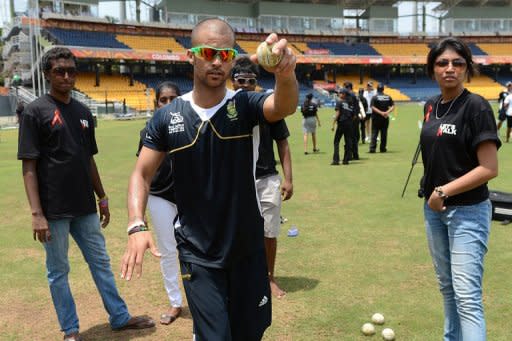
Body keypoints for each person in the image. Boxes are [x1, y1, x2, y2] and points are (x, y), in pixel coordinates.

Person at [120, 18, 298, 341]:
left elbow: (284, 104)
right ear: (192, 55)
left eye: (226, 55)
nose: (217, 61)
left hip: (247, 249)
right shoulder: (167, 116)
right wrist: (136, 224)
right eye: (208, 52)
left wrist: (285, 75)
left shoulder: (244, 105)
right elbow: (141, 174)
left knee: (249, 334)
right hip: (198, 254)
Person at [17, 47, 154, 341]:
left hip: (85, 207)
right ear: (47, 74)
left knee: (101, 263)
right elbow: (29, 165)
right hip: (53, 211)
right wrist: (36, 214)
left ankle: (119, 317)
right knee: (58, 271)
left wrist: (102, 197)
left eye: (71, 71)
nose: (66, 76)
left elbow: (88, 159)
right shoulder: (35, 112)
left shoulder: (82, 112)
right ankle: (70, 330)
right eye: (59, 71)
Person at [421, 37, 500, 341]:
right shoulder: (430, 106)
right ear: (433, 70)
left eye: (458, 63)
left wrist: (443, 192)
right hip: (434, 213)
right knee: (447, 288)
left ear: (467, 69)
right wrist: (434, 197)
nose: (449, 68)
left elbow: (489, 168)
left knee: (467, 297)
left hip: (467, 212)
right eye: (442, 63)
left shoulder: (476, 106)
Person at [231, 56, 293, 299]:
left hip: (267, 177)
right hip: (236, 180)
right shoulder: (225, 108)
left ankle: (269, 277)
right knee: (236, 232)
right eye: (240, 80)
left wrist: (288, 179)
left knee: (269, 231)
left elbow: (283, 144)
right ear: (232, 82)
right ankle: (239, 277)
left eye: (251, 81)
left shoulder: (269, 107)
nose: (245, 85)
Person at [136, 81, 183, 325]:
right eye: (163, 100)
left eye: (172, 99)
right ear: (156, 103)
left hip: (189, 197)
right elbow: (142, 174)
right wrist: (139, 214)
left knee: (196, 249)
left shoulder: (192, 126)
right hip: (159, 197)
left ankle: (201, 297)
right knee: (167, 250)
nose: (167, 104)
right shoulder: (148, 131)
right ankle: (175, 302)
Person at [369, 83, 394, 153]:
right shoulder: (388, 97)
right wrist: (386, 112)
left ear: (377, 89)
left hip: (376, 118)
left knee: (374, 133)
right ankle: (383, 148)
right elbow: (393, 106)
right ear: (383, 89)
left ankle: (372, 148)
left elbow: (372, 107)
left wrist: (381, 113)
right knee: (384, 133)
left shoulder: (374, 97)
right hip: (385, 118)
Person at [331, 88, 354, 165]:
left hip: (341, 123)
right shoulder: (351, 104)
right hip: (349, 124)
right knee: (348, 142)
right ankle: (346, 160)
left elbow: (337, 113)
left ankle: (336, 160)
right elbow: (353, 116)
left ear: (344, 94)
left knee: (336, 141)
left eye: (340, 93)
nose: (339, 94)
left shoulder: (339, 102)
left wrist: (333, 124)